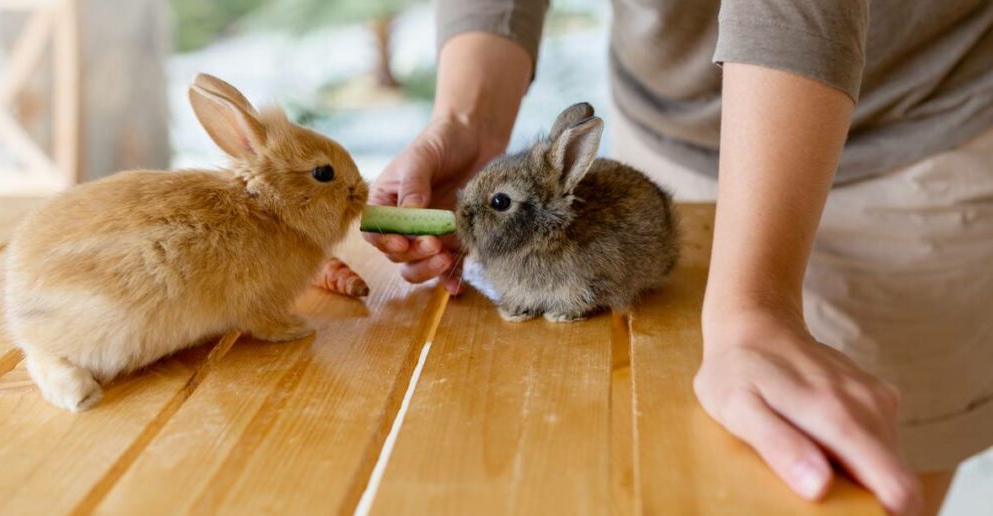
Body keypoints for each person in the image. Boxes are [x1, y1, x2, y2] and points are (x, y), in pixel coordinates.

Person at [364, 2, 993, 515]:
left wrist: (755, 307)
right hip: (671, 119)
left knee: (846, 468)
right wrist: (470, 119)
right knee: (674, 464)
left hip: (901, 133)